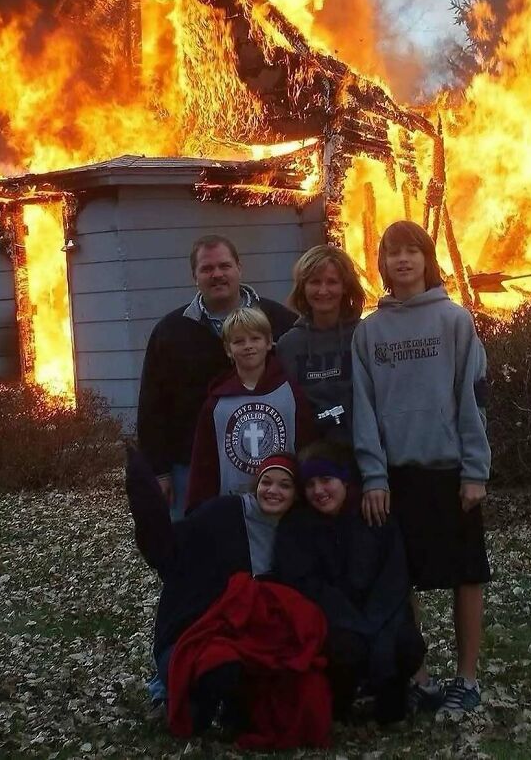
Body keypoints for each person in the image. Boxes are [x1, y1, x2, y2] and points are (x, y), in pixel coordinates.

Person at [351, 220, 491, 716]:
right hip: (396, 474)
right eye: (392, 253)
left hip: (449, 468)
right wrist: (373, 475)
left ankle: (467, 677)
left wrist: (475, 470)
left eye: (412, 251)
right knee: (400, 578)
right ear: (383, 265)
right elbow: (364, 410)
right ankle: (420, 676)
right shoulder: (368, 332)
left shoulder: (455, 321)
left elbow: (470, 400)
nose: (402, 261)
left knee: (466, 573)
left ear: (427, 259)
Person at [125, 448, 331, 748]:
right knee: (216, 666)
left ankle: (240, 711)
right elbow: (168, 552)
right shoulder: (222, 514)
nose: (273, 491)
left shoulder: (299, 530)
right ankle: (196, 702)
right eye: (266, 482)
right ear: (256, 484)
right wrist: (146, 502)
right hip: (207, 627)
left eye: (284, 485)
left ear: (296, 494)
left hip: (263, 635)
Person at [137, 234, 296, 522]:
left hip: (267, 464)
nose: (217, 275)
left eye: (224, 266)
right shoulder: (172, 332)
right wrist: (158, 471)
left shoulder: (279, 321)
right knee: (198, 548)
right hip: (191, 465)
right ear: (194, 276)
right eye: (207, 269)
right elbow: (152, 405)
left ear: (239, 268)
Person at [274, 441, 425, 726]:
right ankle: (338, 700)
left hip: (378, 617)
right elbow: (306, 585)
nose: (318, 490)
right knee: (345, 648)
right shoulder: (296, 527)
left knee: (405, 645)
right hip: (333, 620)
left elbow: (394, 578)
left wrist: (375, 627)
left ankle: (390, 699)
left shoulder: (375, 516)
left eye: (326, 480)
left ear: (344, 480)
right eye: (310, 484)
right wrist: (355, 625)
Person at [185, 306, 315, 512]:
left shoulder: (290, 393)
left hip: (288, 508)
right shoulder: (217, 403)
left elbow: (306, 447)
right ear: (228, 349)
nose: (248, 346)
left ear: (268, 342)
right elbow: (204, 462)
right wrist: (198, 509)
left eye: (255, 338)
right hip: (234, 508)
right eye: (239, 341)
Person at [277, 245, 366, 443]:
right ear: (303, 287)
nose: (323, 290)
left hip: (360, 448)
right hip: (310, 452)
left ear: (345, 287)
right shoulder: (288, 345)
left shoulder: (364, 336)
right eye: (314, 282)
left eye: (332, 282)